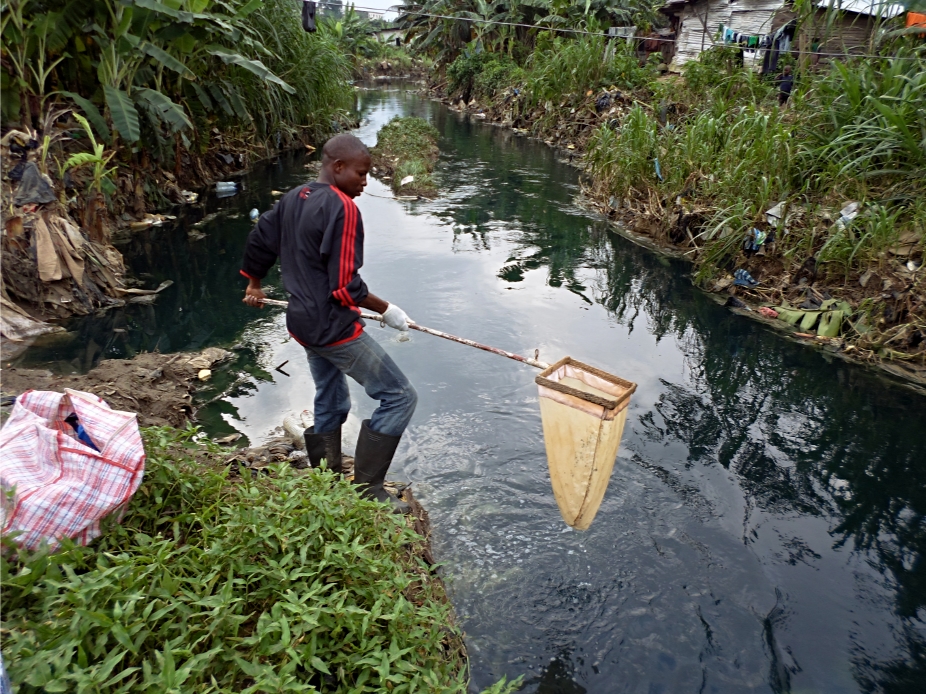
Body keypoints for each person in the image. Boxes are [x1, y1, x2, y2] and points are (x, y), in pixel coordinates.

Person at [240, 133, 417, 512]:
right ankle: (369, 490)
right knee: (400, 396)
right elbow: (345, 287)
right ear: (337, 167)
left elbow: (260, 239)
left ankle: (326, 476)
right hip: (333, 329)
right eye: (361, 173)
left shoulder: (293, 197)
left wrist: (254, 283)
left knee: (331, 396)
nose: (365, 183)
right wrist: (387, 309)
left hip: (301, 323)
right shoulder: (343, 208)